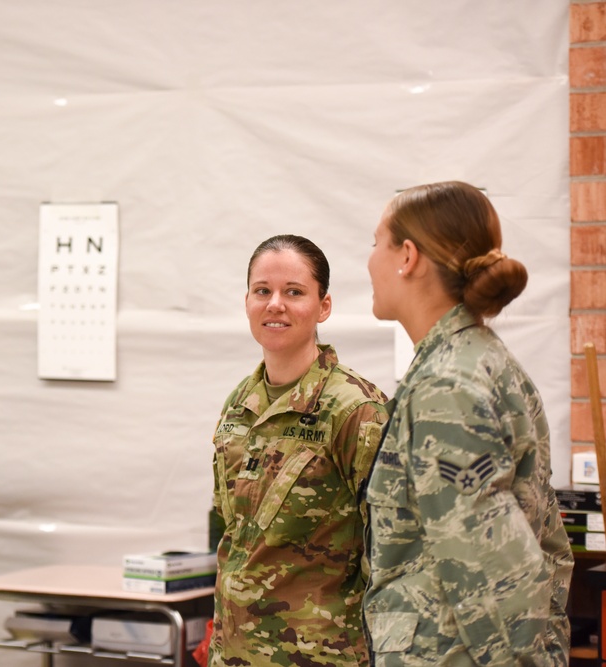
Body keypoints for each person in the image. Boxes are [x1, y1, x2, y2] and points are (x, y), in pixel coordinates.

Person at [362, 181, 574, 666]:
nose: (370, 259)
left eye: (376, 243)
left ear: (407, 256)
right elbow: (549, 547)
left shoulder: (446, 385)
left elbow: (492, 567)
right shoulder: (480, 364)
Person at [209, 234, 389, 666]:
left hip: (322, 655)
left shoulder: (356, 409)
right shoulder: (240, 403)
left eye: (294, 292)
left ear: (323, 306)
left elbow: (391, 549)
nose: (275, 304)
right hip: (235, 654)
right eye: (262, 291)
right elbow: (232, 533)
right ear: (247, 300)